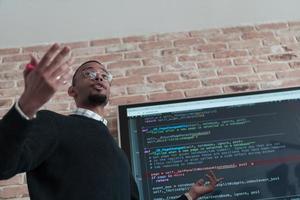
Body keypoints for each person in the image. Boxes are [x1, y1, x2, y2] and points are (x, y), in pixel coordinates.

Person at [0, 43, 222, 200]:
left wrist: (190, 195)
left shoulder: (119, 156)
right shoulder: (54, 124)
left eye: (105, 75)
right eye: (89, 73)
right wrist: (27, 104)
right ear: (72, 91)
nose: (99, 77)